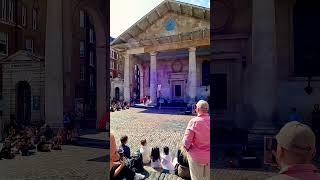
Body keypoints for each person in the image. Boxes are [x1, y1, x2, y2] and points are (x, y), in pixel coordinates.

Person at [182, 100, 210, 180]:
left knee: (197, 178)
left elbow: (186, 141)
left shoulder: (194, 121)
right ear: (207, 109)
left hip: (196, 157)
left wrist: (187, 149)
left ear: (197, 109)